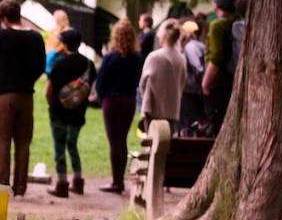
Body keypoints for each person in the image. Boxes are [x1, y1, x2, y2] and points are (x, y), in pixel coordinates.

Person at [0, 0, 46, 197]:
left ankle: (3, 186)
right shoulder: (36, 37)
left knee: (1, 141)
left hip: (4, 95)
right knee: (23, 142)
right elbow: (41, 67)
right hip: (26, 95)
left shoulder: (2, 36)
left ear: (3, 17)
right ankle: (20, 188)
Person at [94, 18, 143, 194]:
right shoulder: (137, 59)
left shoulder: (111, 58)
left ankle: (117, 182)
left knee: (114, 142)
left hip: (112, 101)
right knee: (122, 140)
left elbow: (100, 82)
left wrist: (101, 98)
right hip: (128, 100)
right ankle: (119, 180)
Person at [45, 28, 95, 198]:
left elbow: (49, 89)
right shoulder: (89, 64)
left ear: (65, 44)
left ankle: (62, 184)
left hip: (59, 112)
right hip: (78, 112)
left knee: (59, 147)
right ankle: (78, 182)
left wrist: (50, 105)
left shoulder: (59, 64)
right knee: (72, 145)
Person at [201, 0, 238, 136]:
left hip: (217, 81)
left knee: (214, 124)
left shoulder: (217, 25)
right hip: (232, 79)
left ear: (216, 4)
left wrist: (206, 82)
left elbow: (216, 57)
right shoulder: (236, 22)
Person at [139, 20, 187, 134]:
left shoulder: (154, 57)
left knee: (154, 145)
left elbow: (143, 84)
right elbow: (182, 83)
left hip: (153, 110)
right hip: (172, 110)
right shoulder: (181, 59)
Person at [179, 19, 206, 132]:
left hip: (191, 89)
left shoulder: (190, 47)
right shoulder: (201, 45)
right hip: (195, 87)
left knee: (192, 118)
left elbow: (198, 67)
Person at [44, 8, 71, 74]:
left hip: (57, 58)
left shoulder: (67, 31)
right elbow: (49, 43)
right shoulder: (54, 30)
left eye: (55, 18)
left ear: (59, 19)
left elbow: (62, 46)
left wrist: (52, 53)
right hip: (49, 56)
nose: (54, 19)